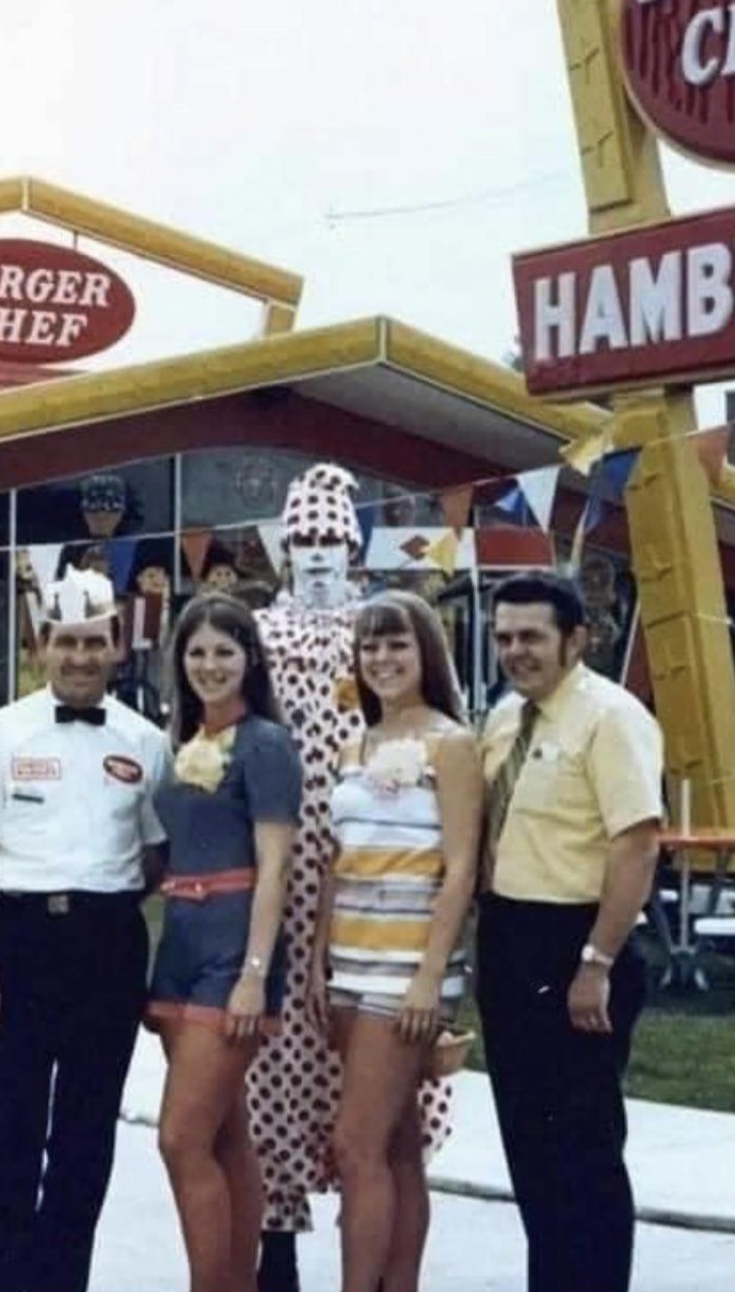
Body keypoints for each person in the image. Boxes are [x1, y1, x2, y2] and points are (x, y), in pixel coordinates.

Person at [0, 566, 170, 1292]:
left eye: (94, 642)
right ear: (41, 645)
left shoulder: (147, 741)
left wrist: (106, 910)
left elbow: (155, 857)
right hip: (21, 946)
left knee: (85, 1138)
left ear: (117, 647)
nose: (80, 656)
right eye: (66, 641)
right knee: (8, 1134)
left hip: (107, 948)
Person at [251, 463, 453, 1292]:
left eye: (333, 537)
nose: (319, 553)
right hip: (279, 867)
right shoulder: (258, 634)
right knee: (277, 1051)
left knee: (374, 1105)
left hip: (377, 876)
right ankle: (278, 1243)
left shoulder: (380, 639)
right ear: (284, 547)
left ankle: (378, 1265)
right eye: (304, 539)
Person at [476, 571, 664, 1292]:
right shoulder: (503, 720)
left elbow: (637, 844)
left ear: (576, 640)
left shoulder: (610, 718)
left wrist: (597, 961)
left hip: (578, 943)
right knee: (530, 1149)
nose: (516, 651)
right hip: (510, 941)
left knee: (583, 1153)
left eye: (532, 636)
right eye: (504, 637)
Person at [311, 590, 483, 1292]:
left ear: (426, 655)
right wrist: (323, 960)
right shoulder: (355, 741)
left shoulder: (452, 742)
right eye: (371, 646)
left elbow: (463, 865)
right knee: (395, 1145)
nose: (382, 659)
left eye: (397, 645)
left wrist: (428, 975)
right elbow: (336, 856)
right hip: (350, 962)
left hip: (406, 968)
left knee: (354, 1147)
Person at [148, 592, 302, 1292]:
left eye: (224, 652)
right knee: (222, 1132)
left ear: (250, 660)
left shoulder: (266, 743)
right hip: (177, 946)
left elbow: (276, 867)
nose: (210, 665)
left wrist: (253, 972)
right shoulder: (185, 742)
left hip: (233, 952)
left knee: (179, 1138)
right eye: (197, 652)